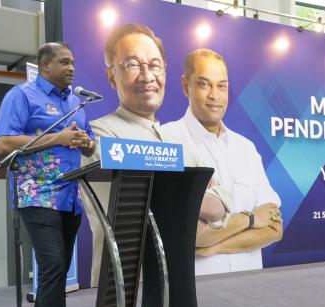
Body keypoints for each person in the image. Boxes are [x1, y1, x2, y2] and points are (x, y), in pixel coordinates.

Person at [83, 24, 229, 286]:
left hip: (178, 279)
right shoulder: (99, 135)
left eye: (155, 65)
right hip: (126, 283)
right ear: (111, 76)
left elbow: (221, 206)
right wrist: (191, 195)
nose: (147, 76)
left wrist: (166, 190)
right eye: (132, 64)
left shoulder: (178, 139)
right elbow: (135, 209)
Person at [0, 42, 95, 307]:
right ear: (45, 65)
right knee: (52, 266)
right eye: (64, 62)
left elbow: (88, 143)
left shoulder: (76, 103)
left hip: (69, 197)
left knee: (56, 271)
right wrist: (58, 138)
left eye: (73, 62)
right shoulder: (21, 96)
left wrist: (86, 142)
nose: (71, 68)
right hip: (36, 194)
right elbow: (4, 143)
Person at [161, 48, 283, 275]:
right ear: (185, 86)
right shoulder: (166, 142)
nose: (214, 95)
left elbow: (275, 228)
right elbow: (188, 235)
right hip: (198, 286)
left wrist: (215, 246)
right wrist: (251, 219)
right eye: (204, 84)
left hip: (251, 284)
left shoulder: (246, 149)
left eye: (222, 86)